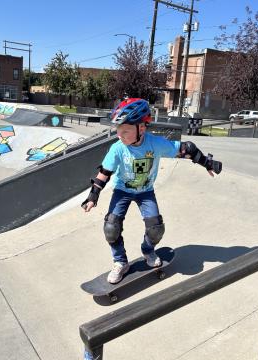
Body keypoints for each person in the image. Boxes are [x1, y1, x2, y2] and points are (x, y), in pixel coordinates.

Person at [81, 98, 222, 284]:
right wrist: (93, 196)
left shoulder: (155, 144)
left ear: (142, 128)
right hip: (122, 191)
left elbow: (187, 148)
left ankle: (148, 250)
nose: (120, 135)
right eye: (118, 130)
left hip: (145, 192)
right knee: (111, 227)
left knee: (156, 228)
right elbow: (104, 173)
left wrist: (206, 162)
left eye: (125, 131)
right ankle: (120, 262)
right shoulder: (117, 149)